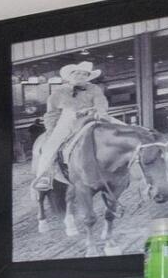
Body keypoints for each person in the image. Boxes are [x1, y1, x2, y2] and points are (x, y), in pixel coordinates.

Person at [30, 59, 113, 194]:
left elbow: (101, 102)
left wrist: (101, 112)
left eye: (85, 74)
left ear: (88, 77)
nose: (81, 76)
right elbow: (51, 113)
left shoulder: (94, 88)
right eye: (77, 73)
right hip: (68, 120)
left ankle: (131, 163)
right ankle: (44, 176)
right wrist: (51, 130)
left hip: (93, 115)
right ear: (70, 76)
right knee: (50, 146)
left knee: (122, 129)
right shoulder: (59, 92)